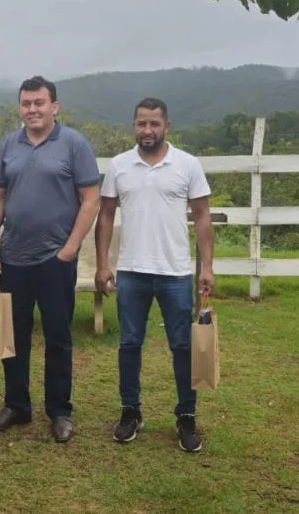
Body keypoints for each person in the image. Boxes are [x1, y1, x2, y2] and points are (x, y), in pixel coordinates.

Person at [0, 75, 100, 443]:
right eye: (26, 103)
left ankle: (59, 411)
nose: (32, 109)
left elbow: (90, 199)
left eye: (39, 103)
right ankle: (16, 406)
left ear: (54, 107)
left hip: (55, 259)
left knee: (58, 337)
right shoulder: (10, 144)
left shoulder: (74, 144)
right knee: (12, 336)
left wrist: (70, 249)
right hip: (13, 258)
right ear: (20, 107)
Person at [94, 97, 215, 453]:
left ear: (167, 126)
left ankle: (186, 415)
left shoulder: (188, 164)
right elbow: (105, 216)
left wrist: (207, 267)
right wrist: (103, 264)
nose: (147, 130)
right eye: (141, 124)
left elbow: (203, 216)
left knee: (182, 346)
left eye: (154, 124)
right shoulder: (119, 165)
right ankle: (130, 411)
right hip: (131, 271)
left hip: (175, 273)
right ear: (133, 126)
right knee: (129, 344)